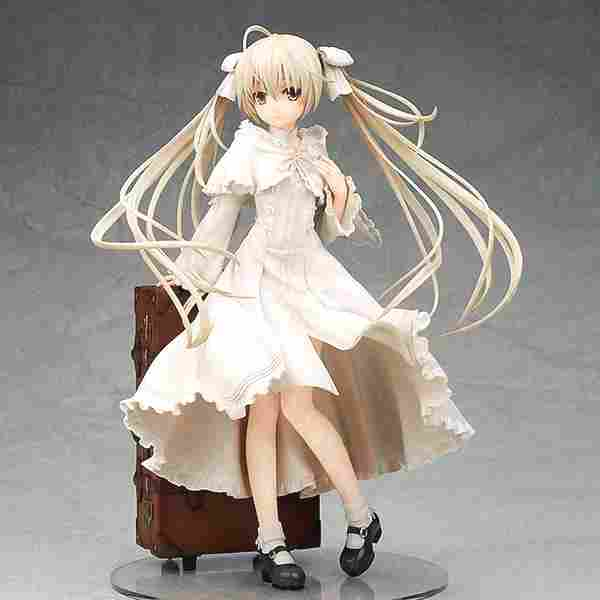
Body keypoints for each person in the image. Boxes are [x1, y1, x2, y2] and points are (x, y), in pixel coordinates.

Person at [90, 25, 523, 589]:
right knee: (264, 412)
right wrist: (192, 272)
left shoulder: (313, 148)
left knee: (299, 406)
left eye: (290, 92)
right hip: (256, 281)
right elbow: (223, 218)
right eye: (262, 94)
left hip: (307, 279)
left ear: (311, 92)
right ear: (248, 96)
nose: (277, 105)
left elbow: (331, 228)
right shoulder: (248, 149)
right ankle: (272, 538)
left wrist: (339, 197)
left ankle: (359, 515)